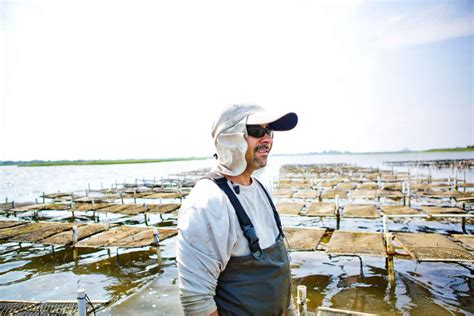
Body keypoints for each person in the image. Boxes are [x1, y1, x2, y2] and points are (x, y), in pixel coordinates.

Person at [177, 103, 298, 315]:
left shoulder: (259, 188)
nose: (267, 139)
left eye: (269, 131)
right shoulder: (209, 201)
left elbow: (279, 274)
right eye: (256, 131)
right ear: (229, 137)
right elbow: (197, 302)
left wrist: (290, 309)